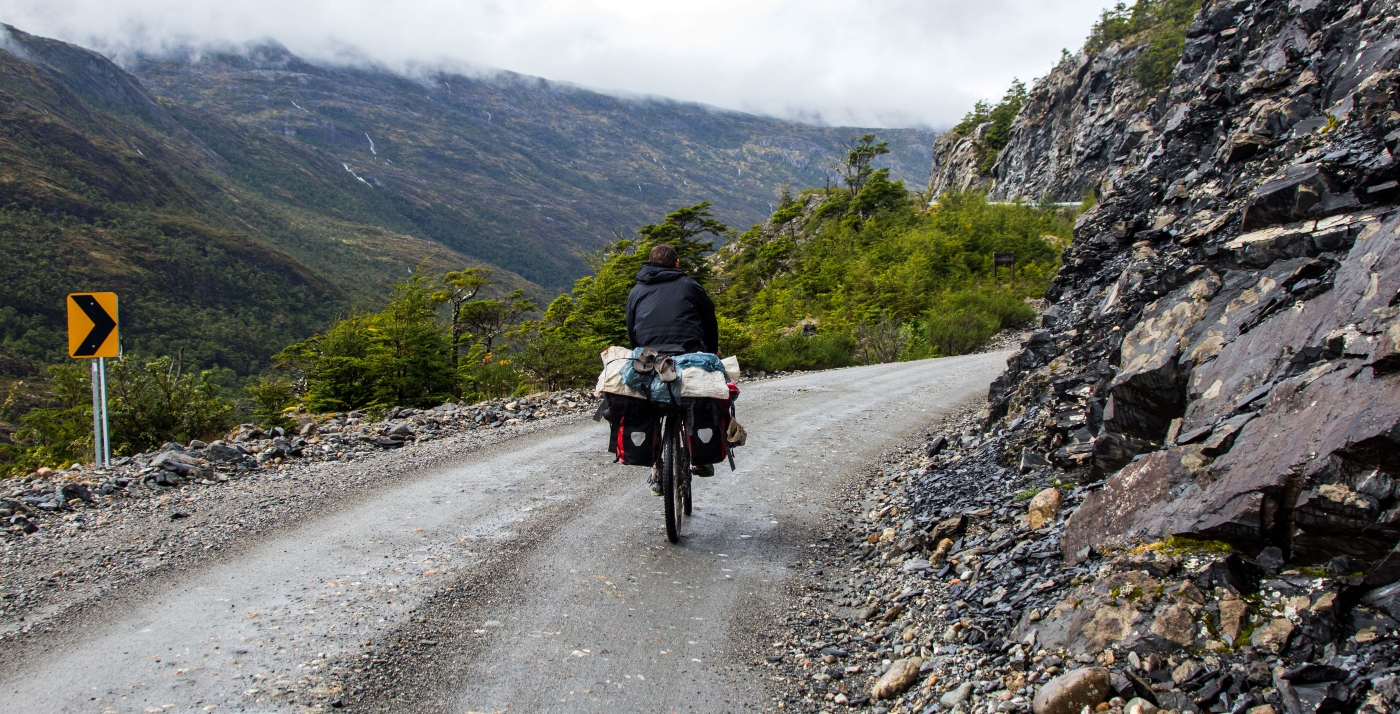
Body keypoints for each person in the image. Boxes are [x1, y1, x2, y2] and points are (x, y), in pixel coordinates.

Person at [625, 244, 720, 494]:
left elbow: (632, 329)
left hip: (650, 355)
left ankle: (656, 473)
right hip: (688, 351)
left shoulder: (637, 290)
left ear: (651, 263)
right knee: (698, 397)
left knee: (651, 406)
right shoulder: (690, 286)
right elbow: (710, 321)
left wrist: (641, 352)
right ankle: (702, 456)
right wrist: (711, 350)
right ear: (676, 263)